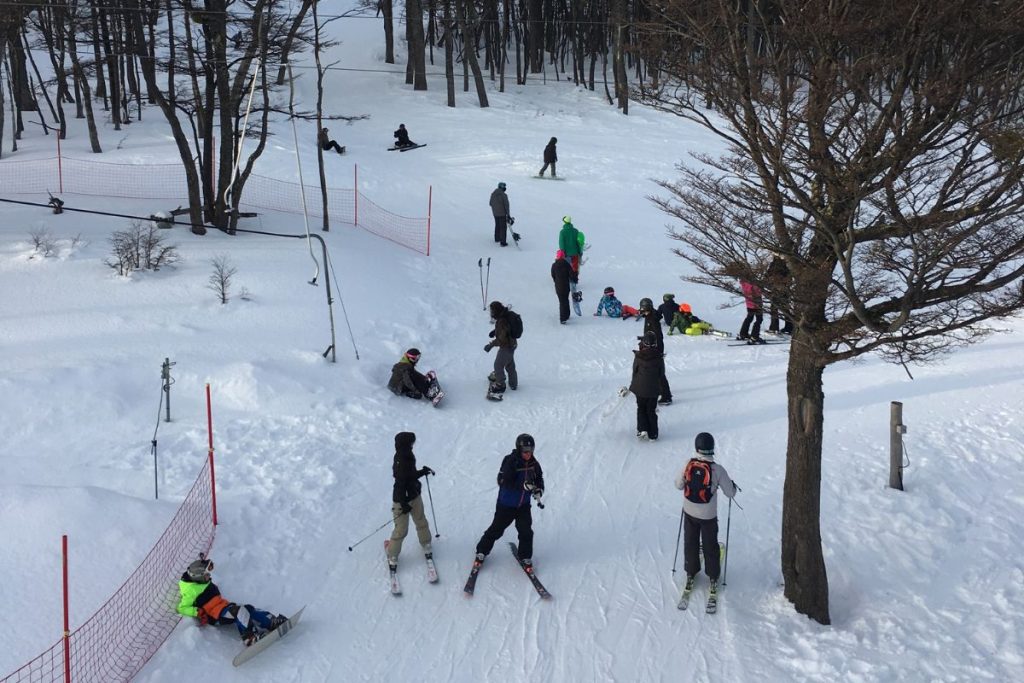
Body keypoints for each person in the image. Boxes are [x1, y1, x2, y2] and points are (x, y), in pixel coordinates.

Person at [674, 432, 738, 599]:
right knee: (710, 545)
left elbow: (678, 485)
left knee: (691, 542)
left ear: (697, 448)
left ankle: (690, 571)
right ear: (712, 449)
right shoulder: (717, 469)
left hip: (689, 512)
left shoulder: (688, 464)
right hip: (708, 515)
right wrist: (733, 486)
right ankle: (713, 576)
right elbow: (730, 493)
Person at [177, 555, 287, 646]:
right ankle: (249, 637)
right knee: (238, 611)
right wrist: (197, 612)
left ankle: (271, 622)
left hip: (223, 606)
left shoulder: (201, 582)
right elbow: (181, 607)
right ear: (198, 576)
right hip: (215, 615)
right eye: (206, 575)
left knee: (248, 608)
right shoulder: (190, 591)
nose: (209, 576)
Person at [473, 433, 545, 568]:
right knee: (496, 529)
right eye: (525, 451)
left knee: (526, 531)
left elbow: (539, 479)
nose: (528, 454)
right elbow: (503, 481)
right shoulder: (510, 461)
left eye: (531, 451)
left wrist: (538, 490)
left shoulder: (534, 464)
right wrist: (522, 486)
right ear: (519, 449)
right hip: (507, 505)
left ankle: (525, 557)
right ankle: (481, 551)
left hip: (523, 505)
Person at [387, 431, 435, 569]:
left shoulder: (407, 455)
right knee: (401, 529)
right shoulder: (401, 459)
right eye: (412, 442)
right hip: (402, 501)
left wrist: (422, 472)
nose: (413, 444)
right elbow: (401, 482)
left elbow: (410, 476)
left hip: (414, 495)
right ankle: (393, 555)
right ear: (406, 444)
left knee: (421, 520)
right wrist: (403, 504)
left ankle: (426, 543)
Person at [629, 331, 663, 441]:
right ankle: (653, 434)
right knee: (651, 410)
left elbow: (635, 371)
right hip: (653, 389)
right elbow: (661, 373)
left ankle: (642, 429)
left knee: (641, 408)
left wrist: (634, 384)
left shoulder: (639, 357)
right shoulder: (659, 358)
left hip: (640, 388)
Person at [638, 297, 672, 405]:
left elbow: (657, 336)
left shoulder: (652, 318)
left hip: (655, 349)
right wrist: (644, 339)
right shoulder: (649, 316)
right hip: (651, 347)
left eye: (642, 308)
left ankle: (666, 396)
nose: (641, 310)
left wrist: (655, 350)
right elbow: (650, 333)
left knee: (658, 373)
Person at [484, 300, 518, 396]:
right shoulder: (505, 316)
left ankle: (500, 385)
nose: (490, 313)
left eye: (491, 311)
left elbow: (501, 339)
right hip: (512, 345)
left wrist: (490, 345)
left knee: (498, 365)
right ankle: (513, 384)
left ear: (495, 311)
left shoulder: (502, 320)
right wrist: (495, 331)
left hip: (506, 347)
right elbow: (505, 330)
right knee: (510, 365)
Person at [766, 254, 794, 334]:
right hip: (784, 289)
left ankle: (774, 327)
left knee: (774, 308)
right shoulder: (786, 265)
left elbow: (767, 275)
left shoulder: (773, 265)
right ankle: (789, 326)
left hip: (775, 289)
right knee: (785, 308)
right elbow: (790, 278)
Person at [551, 249, 574, 324]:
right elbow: (572, 274)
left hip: (558, 286)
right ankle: (565, 316)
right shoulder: (567, 264)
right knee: (566, 300)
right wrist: (574, 279)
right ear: (563, 256)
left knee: (561, 301)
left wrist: (556, 281)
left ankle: (563, 317)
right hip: (566, 286)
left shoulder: (554, 265)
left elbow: (553, 275)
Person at [490, 182, 512, 247]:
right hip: (502, 213)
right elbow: (506, 205)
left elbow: (490, 203)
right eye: (504, 187)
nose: (505, 188)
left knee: (497, 225)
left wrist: (495, 208)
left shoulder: (493, 194)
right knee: (503, 227)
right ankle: (503, 242)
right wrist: (508, 214)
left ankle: (497, 238)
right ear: (502, 187)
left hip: (495, 213)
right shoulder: (504, 195)